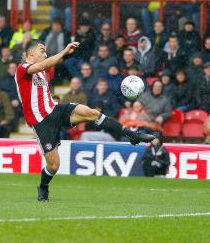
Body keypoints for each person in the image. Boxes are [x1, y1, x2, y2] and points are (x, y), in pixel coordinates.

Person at [15, 41, 154, 202]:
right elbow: (42, 66)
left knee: (92, 113)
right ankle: (43, 186)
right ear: (30, 54)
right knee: (54, 165)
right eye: (42, 51)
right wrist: (64, 52)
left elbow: (41, 78)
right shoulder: (22, 69)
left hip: (55, 110)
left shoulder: (41, 73)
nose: (45, 54)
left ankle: (132, 135)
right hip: (42, 122)